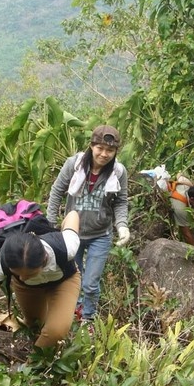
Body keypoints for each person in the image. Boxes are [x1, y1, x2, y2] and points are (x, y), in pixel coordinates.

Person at [46, 125, 130, 324]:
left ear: (115, 151)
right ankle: (73, 314)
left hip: (100, 234)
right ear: (91, 146)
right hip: (71, 234)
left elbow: (121, 200)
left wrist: (122, 225)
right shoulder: (74, 165)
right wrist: (50, 223)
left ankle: (88, 319)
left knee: (91, 283)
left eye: (110, 150)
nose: (104, 154)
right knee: (73, 280)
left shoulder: (118, 172)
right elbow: (57, 191)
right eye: (100, 148)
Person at [0, 211, 81, 348]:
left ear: (43, 260)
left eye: (29, 273)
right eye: (17, 273)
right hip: (27, 287)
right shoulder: (1, 261)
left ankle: (31, 366)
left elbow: (73, 214)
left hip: (64, 281)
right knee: (35, 324)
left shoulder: (66, 246)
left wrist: (56, 223)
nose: (22, 277)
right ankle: (27, 351)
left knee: (55, 331)